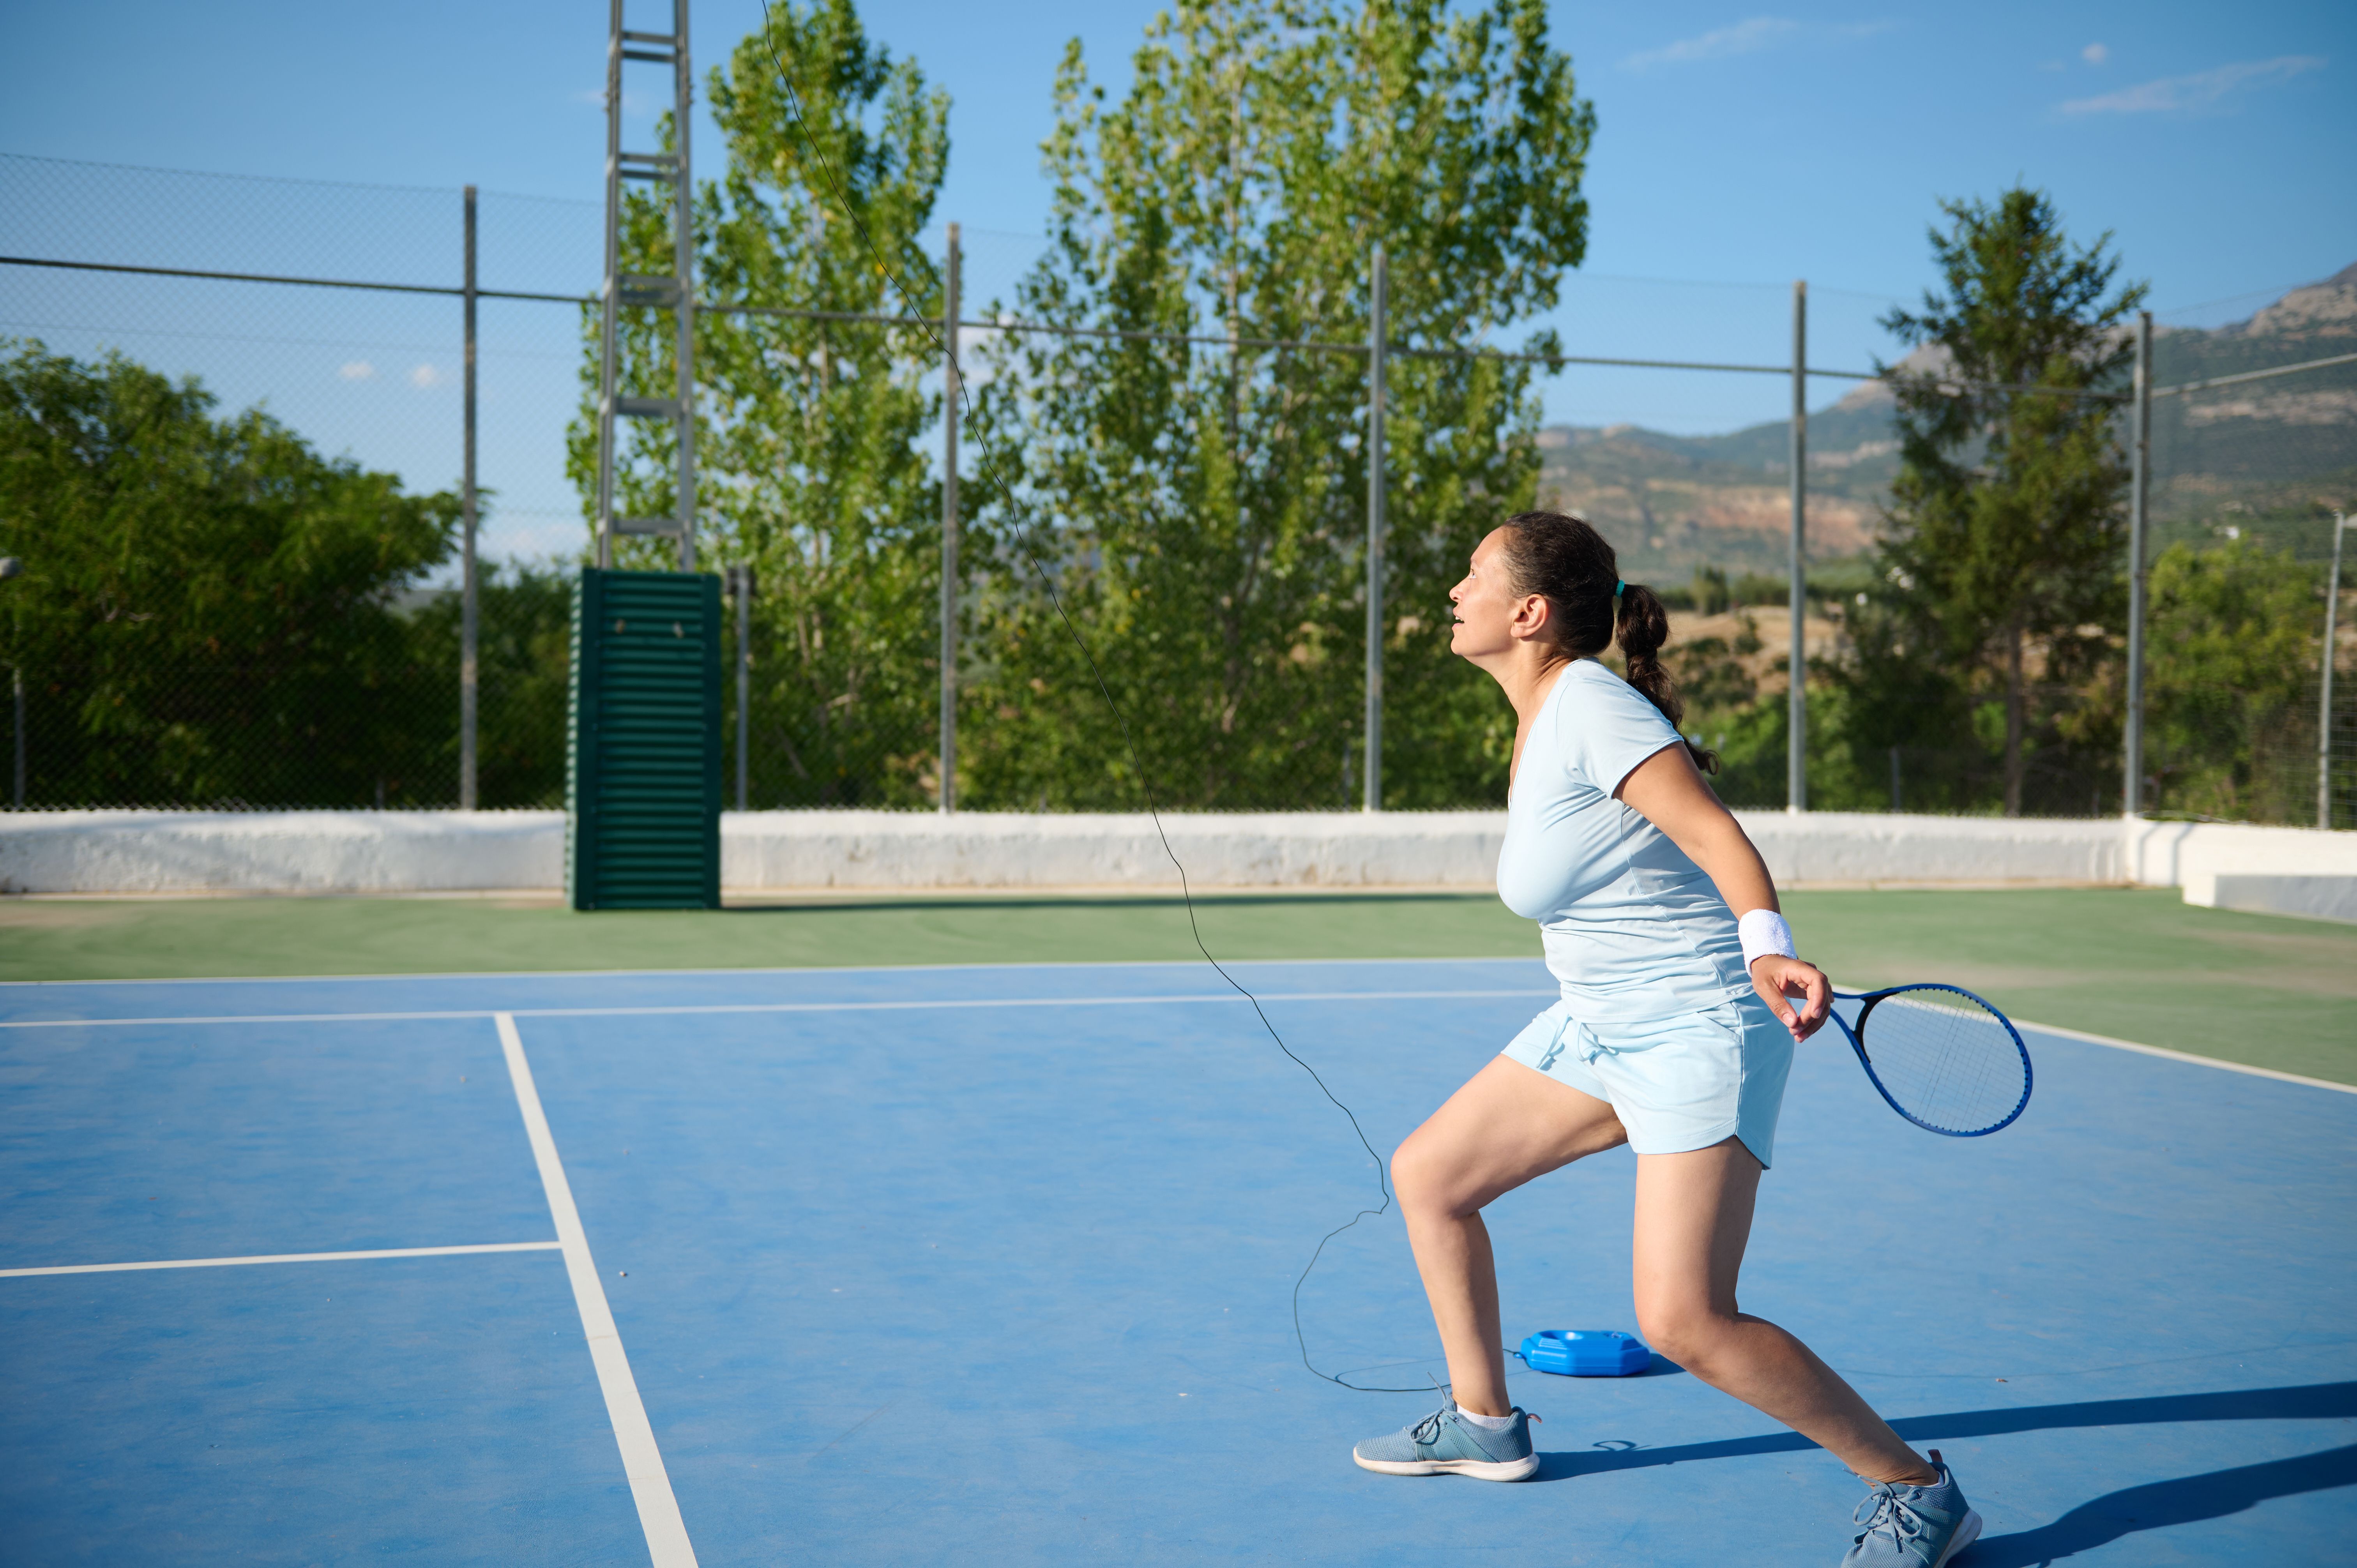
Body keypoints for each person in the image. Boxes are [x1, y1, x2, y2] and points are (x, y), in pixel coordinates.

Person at [1348, 512, 1981, 1568]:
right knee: (1431, 1175)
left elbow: (1714, 832)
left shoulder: (1592, 705)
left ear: (1529, 612)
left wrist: (1769, 944)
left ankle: (1918, 1492)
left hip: (1698, 1027)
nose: (1453, 590)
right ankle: (1486, 1423)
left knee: (1686, 1319)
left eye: (1472, 575)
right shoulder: (1544, 706)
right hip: (1602, 1026)